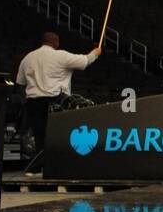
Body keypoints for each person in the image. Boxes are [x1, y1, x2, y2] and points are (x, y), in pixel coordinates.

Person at [15, 31, 100, 170]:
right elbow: (85, 61)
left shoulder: (28, 58)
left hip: (33, 102)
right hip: (54, 101)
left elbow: (20, 83)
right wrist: (96, 52)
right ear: (56, 43)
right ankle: (55, 166)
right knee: (57, 135)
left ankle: (37, 167)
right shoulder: (61, 56)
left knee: (39, 135)